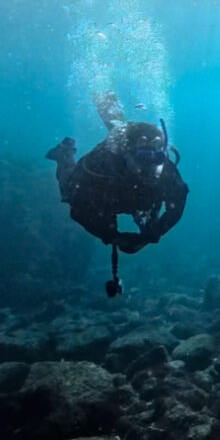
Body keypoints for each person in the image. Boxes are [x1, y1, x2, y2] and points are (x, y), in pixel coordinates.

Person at [46, 92, 188, 297]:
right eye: (142, 158)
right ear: (127, 155)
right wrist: (110, 235)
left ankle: (110, 107)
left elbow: (178, 200)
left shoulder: (165, 170)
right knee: (68, 191)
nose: (149, 167)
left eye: (156, 158)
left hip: (132, 198)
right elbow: (78, 210)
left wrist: (155, 232)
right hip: (107, 195)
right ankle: (64, 154)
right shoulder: (102, 166)